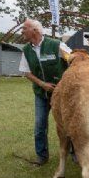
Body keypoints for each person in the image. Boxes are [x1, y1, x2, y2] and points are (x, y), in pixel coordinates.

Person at [18, 19, 72, 166]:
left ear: (35, 30)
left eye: (24, 28)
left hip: (61, 94)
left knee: (68, 124)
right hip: (41, 95)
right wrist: (42, 84)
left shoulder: (56, 45)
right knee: (40, 125)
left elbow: (73, 60)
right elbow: (26, 72)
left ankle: (75, 154)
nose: (21, 31)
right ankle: (42, 156)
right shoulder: (26, 50)